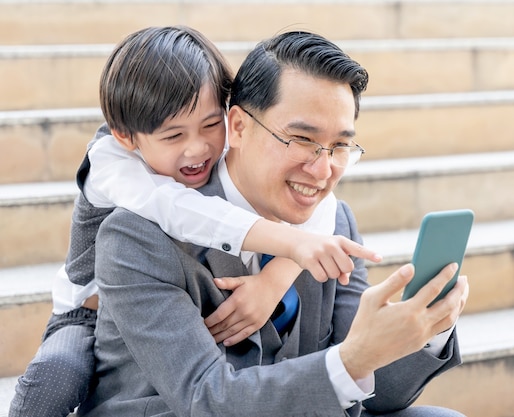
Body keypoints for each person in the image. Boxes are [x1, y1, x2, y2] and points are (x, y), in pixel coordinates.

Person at [77, 30, 469, 417]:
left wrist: (429, 329)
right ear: (239, 126)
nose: (322, 169)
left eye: (340, 146)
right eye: (301, 139)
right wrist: (349, 361)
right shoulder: (136, 235)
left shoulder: (335, 221)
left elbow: (379, 395)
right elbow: (206, 399)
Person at [9, 26, 378, 417]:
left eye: (210, 125)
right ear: (126, 137)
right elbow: (185, 213)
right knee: (57, 374)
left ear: (232, 118)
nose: (198, 147)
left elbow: (324, 201)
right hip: (84, 310)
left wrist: (279, 275)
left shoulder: (214, 156)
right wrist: (291, 247)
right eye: (173, 136)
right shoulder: (113, 166)